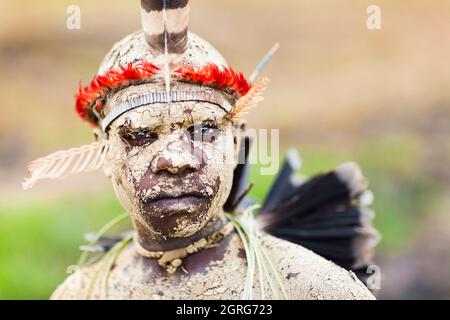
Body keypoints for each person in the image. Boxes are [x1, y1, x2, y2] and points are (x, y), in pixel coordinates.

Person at [24, 0, 379, 300]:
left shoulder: (311, 288)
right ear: (104, 152)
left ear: (235, 142)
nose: (177, 160)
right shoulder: (80, 294)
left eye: (205, 130)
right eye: (141, 136)